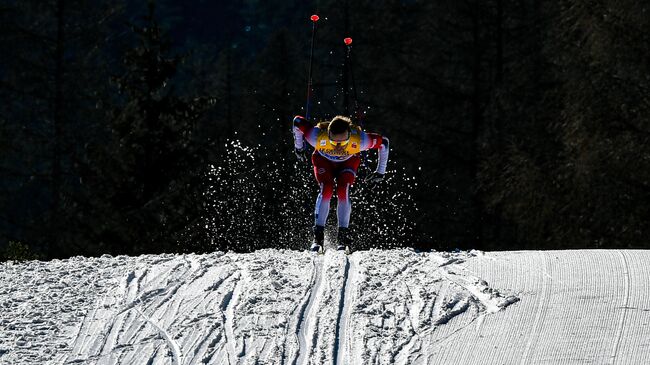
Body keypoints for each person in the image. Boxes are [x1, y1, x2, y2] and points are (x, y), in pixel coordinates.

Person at [292, 114, 390, 252]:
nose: (338, 147)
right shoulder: (316, 137)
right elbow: (297, 121)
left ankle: (343, 239)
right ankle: (318, 238)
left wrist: (380, 172)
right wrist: (299, 146)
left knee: (343, 190)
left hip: (348, 162)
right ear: (328, 134)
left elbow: (384, 142)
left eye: (343, 142)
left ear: (350, 135)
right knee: (326, 189)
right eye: (333, 141)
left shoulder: (360, 140)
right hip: (323, 161)